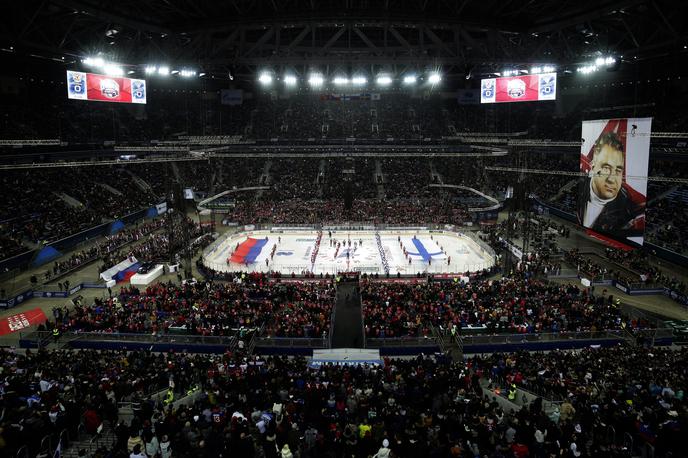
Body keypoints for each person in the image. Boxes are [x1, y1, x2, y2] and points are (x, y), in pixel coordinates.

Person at [576, 131, 644, 237]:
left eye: (618, 170)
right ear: (593, 167)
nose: (612, 179)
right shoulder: (581, 186)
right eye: (606, 168)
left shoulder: (631, 210)